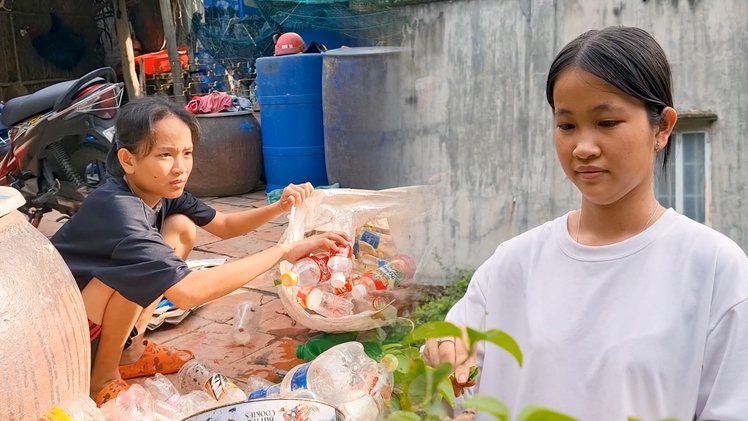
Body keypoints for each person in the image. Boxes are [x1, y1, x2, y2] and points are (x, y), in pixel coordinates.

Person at [422, 26, 748, 420]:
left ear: (662, 127)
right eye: (567, 125)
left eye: (607, 122)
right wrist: (441, 359)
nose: (583, 147)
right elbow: (450, 391)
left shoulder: (714, 269)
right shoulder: (512, 265)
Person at [51, 96, 348, 406]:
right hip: (65, 328)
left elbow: (225, 225)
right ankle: (102, 378)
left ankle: (130, 349)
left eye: (187, 153)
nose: (180, 168)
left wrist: (278, 207)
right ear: (128, 160)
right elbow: (187, 293)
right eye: (165, 154)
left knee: (180, 228)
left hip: (90, 308)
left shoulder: (159, 189)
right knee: (135, 271)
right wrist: (284, 251)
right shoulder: (119, 211)